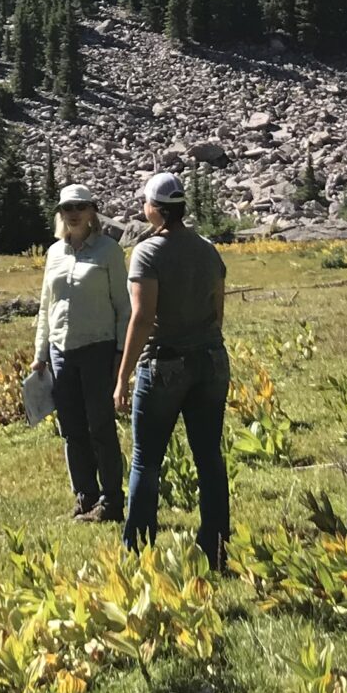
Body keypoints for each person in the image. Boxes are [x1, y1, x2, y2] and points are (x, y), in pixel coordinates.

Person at [112, 170, 231, 564]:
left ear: (156, 210)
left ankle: (138, 551)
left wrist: (124, 375)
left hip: (164, 364)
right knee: (209, 457)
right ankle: (215, 548)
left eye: (145, 202)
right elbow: (218, 310)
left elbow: (142, 318)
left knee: (147, 459)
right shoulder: (207, 249)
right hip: (212, 360)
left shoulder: (147, 253)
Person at [31, 183, 129, 521]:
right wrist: (40, 352)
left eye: (80, 207)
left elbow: (123, 308)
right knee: (71, 428)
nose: (73, 213)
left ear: (92, 212)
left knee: (100, 426)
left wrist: (120, 353)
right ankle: (85, 497)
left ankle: (112, 501)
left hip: (98, 349)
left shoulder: (109, 251)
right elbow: (46, 306)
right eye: (66, 208)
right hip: (60, 351)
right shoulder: (54, 253)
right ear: (60, 214)